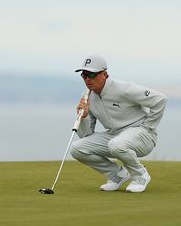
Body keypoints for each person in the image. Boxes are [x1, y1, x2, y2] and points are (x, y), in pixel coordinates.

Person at [70, 55, 167, 193]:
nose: (87, 79)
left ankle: (140, 176)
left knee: (116, 144)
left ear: (104, 74)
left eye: (91, 75)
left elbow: (160, 99)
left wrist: (148, 126)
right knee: (77, 148)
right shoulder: (88, 96)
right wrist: (84, 116)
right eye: (84, 75)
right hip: (115, 136)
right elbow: (86, 135)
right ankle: (117, 175)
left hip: (143, 135)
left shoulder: (123, 88)